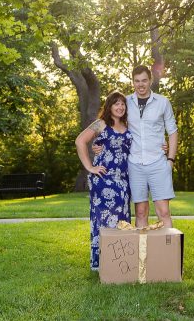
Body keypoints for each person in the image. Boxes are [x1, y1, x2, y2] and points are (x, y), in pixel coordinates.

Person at [75, 91, 131, 271]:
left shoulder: (129, 124)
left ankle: (120, 262)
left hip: (123, 180)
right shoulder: (101, 124)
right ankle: (101, 264)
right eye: (116, 103)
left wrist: (163, 146)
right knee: (104, 220)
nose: (120, 107)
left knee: (122, 219)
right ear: (109, 106)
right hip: (103, 179)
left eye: (123, 103)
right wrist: (90, 167)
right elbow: (80, 141)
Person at [125, 64, 177, 228]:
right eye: (137, 81)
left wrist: (170, 160)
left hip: (158, 163)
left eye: (144, 80)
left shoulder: (163, 102)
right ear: (133, 82)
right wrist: (98, 144)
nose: (140, 84)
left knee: (163, 212)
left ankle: (169, 253)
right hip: (135, 165)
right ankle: (143, 253)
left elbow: (173, 132)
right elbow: (110, 125)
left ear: (150, 80)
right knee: (140, 212)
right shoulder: (125, 102)